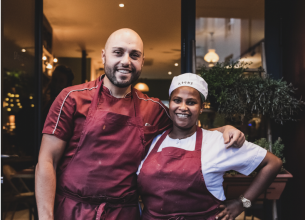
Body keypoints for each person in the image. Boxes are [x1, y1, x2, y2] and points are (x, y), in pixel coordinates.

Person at [35, 29, 246, 220]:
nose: (126, 61)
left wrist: (223, 130)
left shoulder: (153, 108)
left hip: (125, 213)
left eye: (134, 55)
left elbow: (188, 130)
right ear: (103, 56)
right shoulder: (71, 98)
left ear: (142, 61)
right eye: (118, 52)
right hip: (72, 211)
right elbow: (47, 160)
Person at [137, 73, 283, 220]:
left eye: (191, 102)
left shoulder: (219, 142)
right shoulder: (153, 140)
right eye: (177, 100)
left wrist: (242, 203)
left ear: (201, 108)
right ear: (170, 104)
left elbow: (273, 163)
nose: (183, 107)